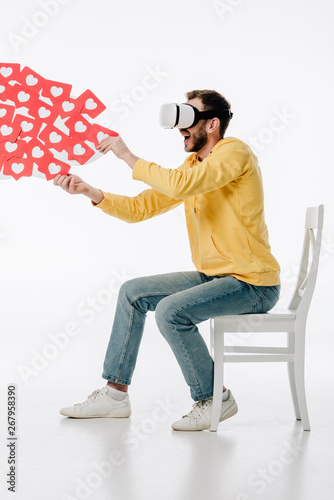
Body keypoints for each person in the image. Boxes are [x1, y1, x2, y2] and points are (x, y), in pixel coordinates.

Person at [54, 89, 281, 431]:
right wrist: (92, 193)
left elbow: (179, 185)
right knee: (133, 292)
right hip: (216, 277)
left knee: (171, 312)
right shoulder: (193, 166)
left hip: (253, 283)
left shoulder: (234, 153)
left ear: (213, 124)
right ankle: (115, 396)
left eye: (188, 119)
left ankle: (213, 399)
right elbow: (141, 207)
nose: (180, 129)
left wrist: (127, 156)